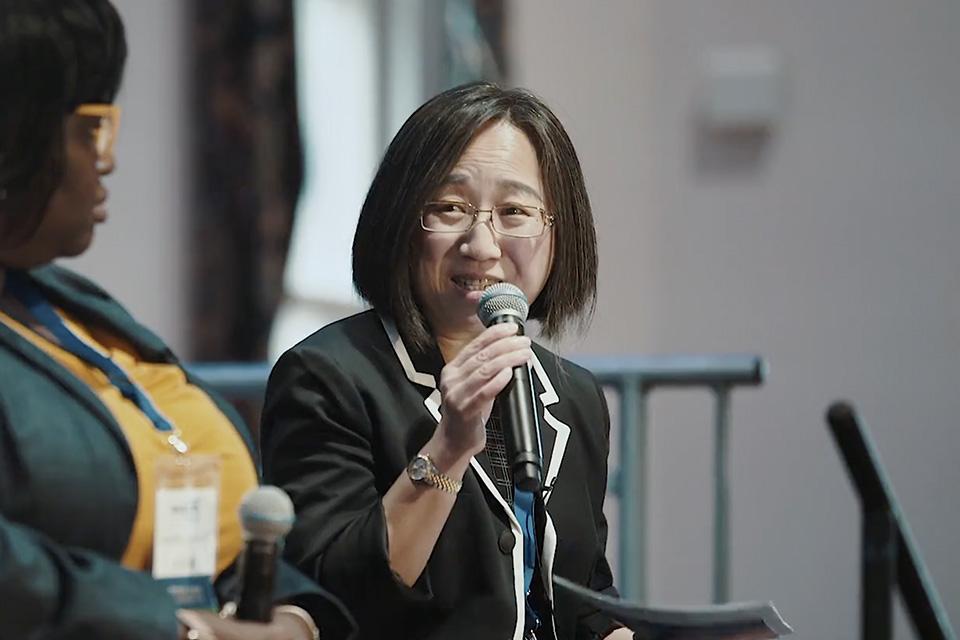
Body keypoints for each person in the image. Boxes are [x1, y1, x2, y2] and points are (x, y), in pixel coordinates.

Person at [0, 1, 352, 638]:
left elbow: (227, 516)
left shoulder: (65, 300)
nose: (106, 160)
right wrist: (186, 631)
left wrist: (295, 619)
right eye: (90, 128)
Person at [260, 82, 632, 640]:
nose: (482, 244)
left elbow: (584, 604)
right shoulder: (326, 378)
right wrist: (450, 445)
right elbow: (333, 602)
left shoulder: (573, 396)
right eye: (451, 208)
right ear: (402, 222)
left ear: (559, 233)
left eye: (515, 211)